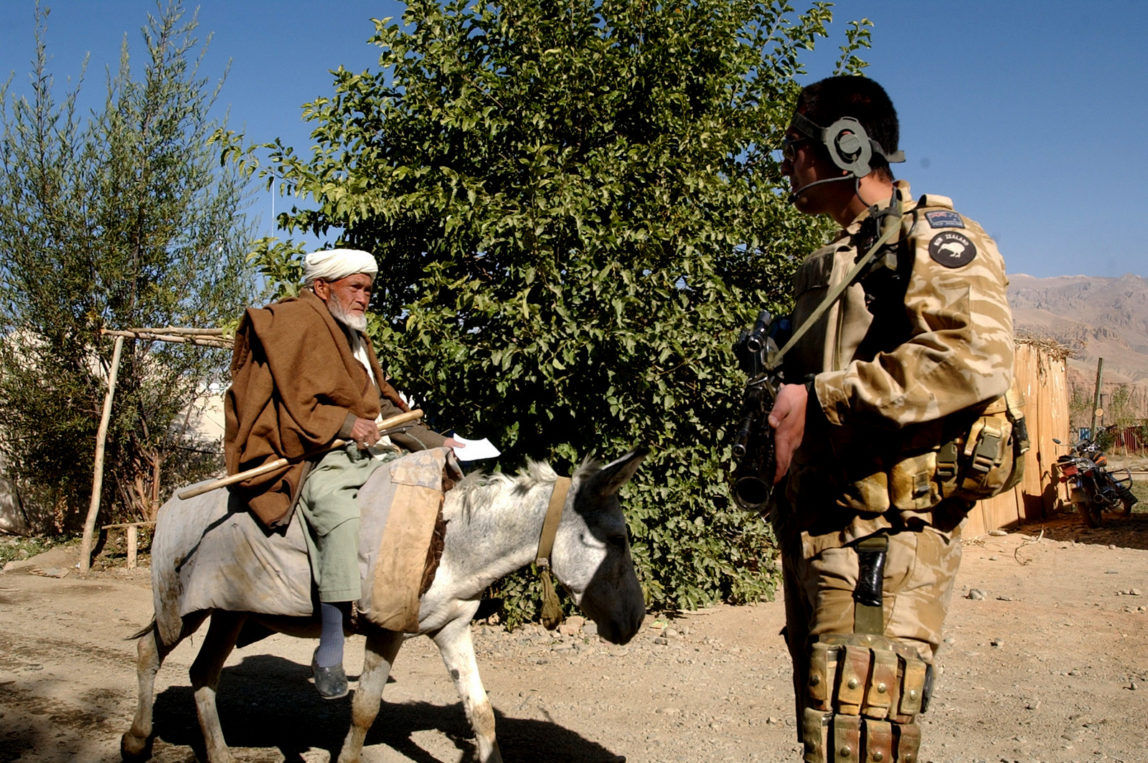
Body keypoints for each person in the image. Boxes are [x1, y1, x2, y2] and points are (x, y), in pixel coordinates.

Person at [765, 76, 1014, 761]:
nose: (787, 162)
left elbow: (972, 358)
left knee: (860, 748)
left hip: (884, 544)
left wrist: (821, 399)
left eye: (794, 145)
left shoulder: (935, 238)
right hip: (825, 534)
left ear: (844, 145)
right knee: (828, 736)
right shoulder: (845, 256)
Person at [224, 248, 460, 699]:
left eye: (369, 289)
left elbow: (384, 404)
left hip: (371, 450)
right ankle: (330, 644)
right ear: (321, 287)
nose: (365, 298)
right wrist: (344, 423)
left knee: (434, 489)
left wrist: (438, 443)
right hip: (314, 451)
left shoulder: (354, 335)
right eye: (356, 287)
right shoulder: (297, 322)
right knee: (336, 507)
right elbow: (292, 398)